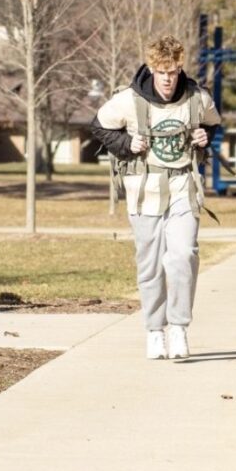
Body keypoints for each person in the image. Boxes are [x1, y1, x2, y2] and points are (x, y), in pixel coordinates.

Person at [91, 35, 220, 360]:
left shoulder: (197, 98)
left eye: (173, 71)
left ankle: (178, 327)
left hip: (182, 187)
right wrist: (125, 145)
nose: (167, 78)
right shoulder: (128, 100)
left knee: (183, 256)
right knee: (149, 265)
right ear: (151, 68)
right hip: (143, 191)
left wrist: (205, 138)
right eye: (162, 71)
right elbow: (99, 127)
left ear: (180, 69)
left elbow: (214, 126)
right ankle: (154, 330)